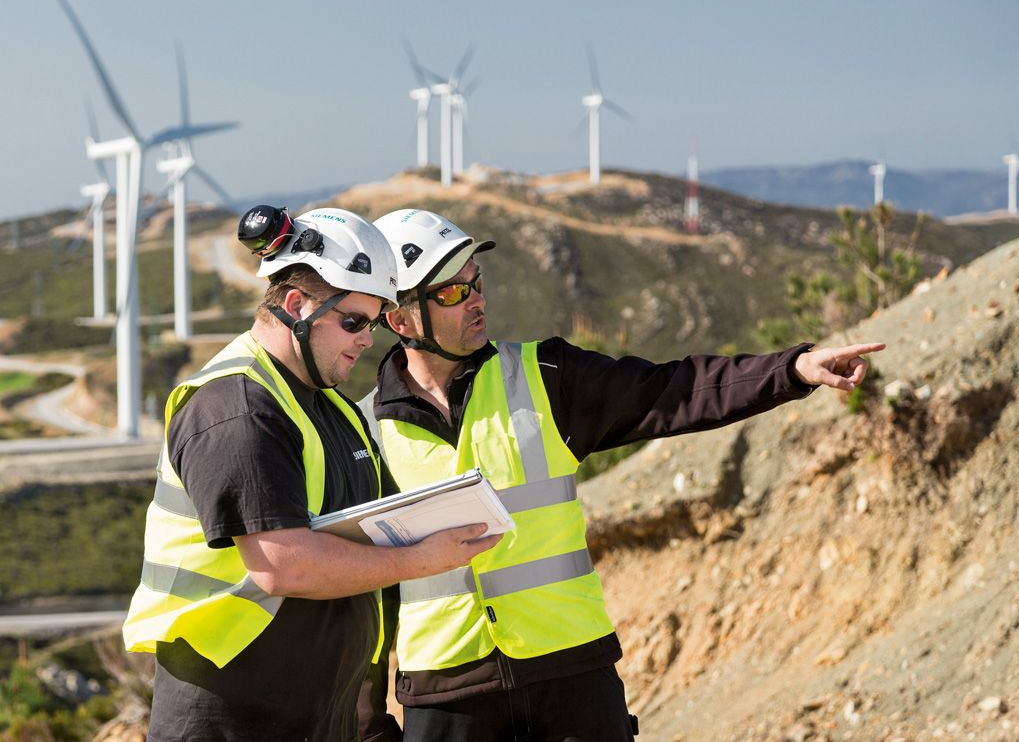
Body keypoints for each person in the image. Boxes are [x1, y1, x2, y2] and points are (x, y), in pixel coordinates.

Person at [357, 208, 885, 742]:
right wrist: (370, 728)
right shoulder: (363, 433)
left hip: (571, 674)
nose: (477, 299)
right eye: (451, 293)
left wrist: (791, 370)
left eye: (476, 282)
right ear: (400, 321)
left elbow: (672, 389)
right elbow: (362, 597)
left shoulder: (547, 377)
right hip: (447, 695)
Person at [122, 206, 500, 742]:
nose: (368, 338)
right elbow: (282, 565)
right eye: (352, 321)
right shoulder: (238, 407)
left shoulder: (331, 406)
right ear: (296, 305)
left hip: (314, 714)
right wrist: (421, 560)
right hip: (230, 717)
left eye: (371, 322)